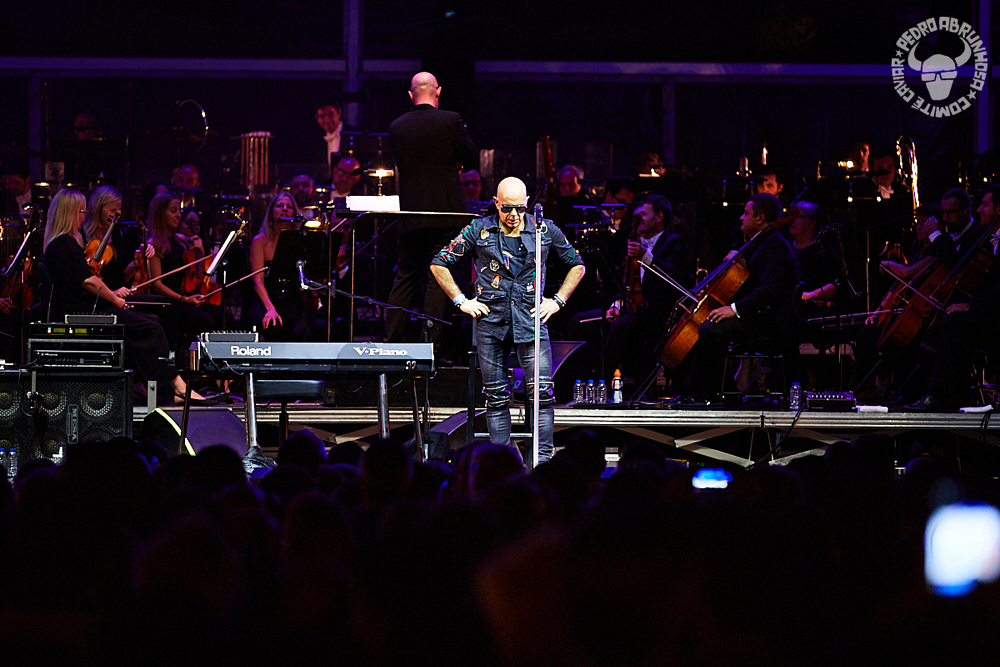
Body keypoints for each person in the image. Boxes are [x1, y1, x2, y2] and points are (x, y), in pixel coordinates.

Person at [430, 177, 585, 461]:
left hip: (530, 322)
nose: (513, 214)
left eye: (519, 208)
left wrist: (557, 301)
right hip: (491, 323)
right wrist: (461, 301)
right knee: (496, 396)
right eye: (506, 208)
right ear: (496, 203)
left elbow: (577, 265)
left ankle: (542, 461)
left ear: (527, 204)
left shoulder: (543, 229)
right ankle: (500, 462)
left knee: (542, 394)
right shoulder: (478, 229)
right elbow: (440, 262)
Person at [41, 189, 210, 404]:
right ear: (70, 212)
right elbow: (88, 280)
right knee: (150, 327)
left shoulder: (68, 242)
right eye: (82, 211)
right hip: (85, 311)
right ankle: (176, 387)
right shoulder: (63, 244)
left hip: (92, 305)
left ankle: (163, 382)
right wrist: (115, 298)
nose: (84, 215)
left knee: (160, 310)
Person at [671, 193, 800, 405]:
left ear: (760, 219)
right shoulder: (760, 243)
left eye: (746, 213)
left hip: (772, 322)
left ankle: (714, 393)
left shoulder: (773, 246)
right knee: (706, 324)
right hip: (759, 315)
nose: (741, 217)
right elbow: (753, 280)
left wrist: (733, 309)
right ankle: (700, 390)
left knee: (711, 328)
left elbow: (768, 290)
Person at [385, 71, 478, 343]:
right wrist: (455, 163)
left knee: (405, 278)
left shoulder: (397, 127)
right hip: (445, 216)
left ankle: (390, 342)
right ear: (438, 91)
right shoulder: (450, 120)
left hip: (411, 215)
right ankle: (430, 346)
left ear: (410, 95)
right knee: (438, 277)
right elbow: (472, 157)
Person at [570, 194, 693, 389]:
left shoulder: (673, 242)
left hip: (655, 312)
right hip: (630, 308)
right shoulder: (634, 241)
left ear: (659, 217)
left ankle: (603, 383)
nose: (638, 219)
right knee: (577, 322)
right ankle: (587, 374)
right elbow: (625, 282)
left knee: (620, 326)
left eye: (644, 214)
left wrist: (646, 256)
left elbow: (675, 277)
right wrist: (617, 304)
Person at [905, 185, 1000, 410]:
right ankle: (934, 394)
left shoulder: (980, 235)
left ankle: (940, 396)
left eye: (984, 204)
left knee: (955, 323)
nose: (979, 210)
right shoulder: (990, 236)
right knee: (934, 322)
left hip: (994, 315)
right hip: (987, 310)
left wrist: (970, 305)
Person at [246, 193, 326, 341]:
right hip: (266, 299)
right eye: (279, 206)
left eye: (289, 206)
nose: (284, 209)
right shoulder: (260, 241)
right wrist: (270, 309)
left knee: (303, 329)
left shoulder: (300, 239)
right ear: (271, 212)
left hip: (292, 299)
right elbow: (258, 281)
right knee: (274, 326)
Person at [146, 191, 219, 350]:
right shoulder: (154, 244)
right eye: (173, 211)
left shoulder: (181, 240)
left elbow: (197, 269)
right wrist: (184, 300)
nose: (178, 216)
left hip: (186, 297)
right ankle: (191, 356)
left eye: (179, 211)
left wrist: (200, 251)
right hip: (168, 302)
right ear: (160, 214)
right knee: (206, 320)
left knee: (223, 315)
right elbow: (156, 284)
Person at [82, 186, 150, 294]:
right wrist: (112, 294)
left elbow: (121, 278)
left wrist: (140, 259)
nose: (118, 214)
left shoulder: (116, 234)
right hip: (98, 297)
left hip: (119, 295)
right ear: (98, 209)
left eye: (119, 210)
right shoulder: (83, 236)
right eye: (113, 210)